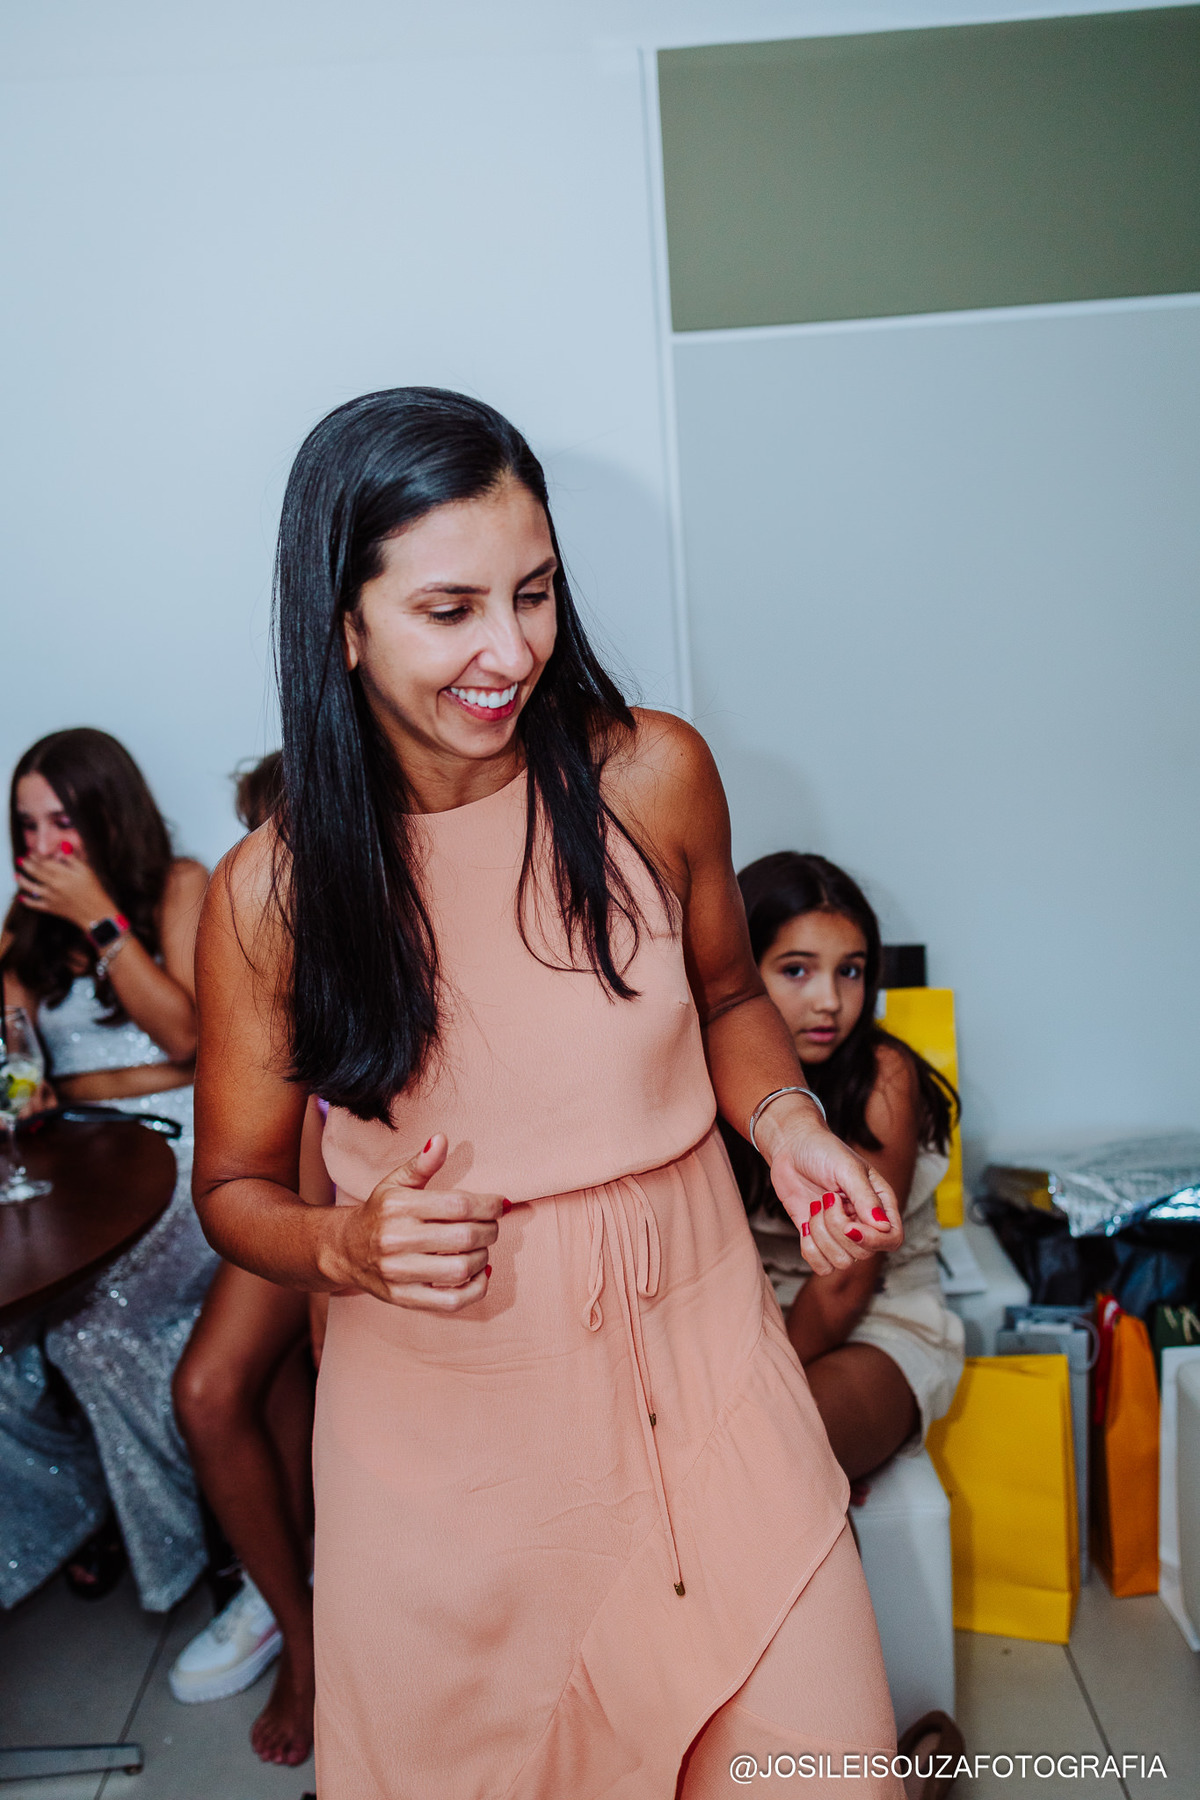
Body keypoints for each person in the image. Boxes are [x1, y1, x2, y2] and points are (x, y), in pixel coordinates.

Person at [192, 388, 909, 1800]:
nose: (510, 650)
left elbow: (723, 1002)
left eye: (533, 593)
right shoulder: (272, 895)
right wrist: (345, 1244)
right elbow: (233, 1191)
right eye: (449, 610)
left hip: (708, 1377)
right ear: (341, 625)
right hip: (453, 1456)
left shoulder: (650, 773)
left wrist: (792, 1125)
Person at [0, 728, 213, 1611]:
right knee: (9, 1351)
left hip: (183, 1145)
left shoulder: (180, 887)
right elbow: (17, 1059)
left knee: (89, 1333)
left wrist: (100, 917)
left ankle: (189, 1545)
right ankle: (88, 1508)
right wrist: (28, 1085)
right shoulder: (24, 925)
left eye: (61, 822)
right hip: (80, 1155)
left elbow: (191, 1037)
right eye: (25, 827)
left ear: (104, 813)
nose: (43, 848)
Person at [168, 748, 323, 1768]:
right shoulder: (250, 912)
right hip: (294, 1192)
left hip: (363, 1177)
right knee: (222, 1390)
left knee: (252, 1388)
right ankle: (303, 1634)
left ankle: (315, 1622)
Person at [726, 853, 965, 1485]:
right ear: (738, 972)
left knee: (776, 1457)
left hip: (877, 1319)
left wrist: (754, 1398)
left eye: (850, 971)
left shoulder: (883, 1079)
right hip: (750, 1318)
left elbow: (844, 1287)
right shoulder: (709, 1074)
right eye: (797, 970)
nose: (829, 1001)